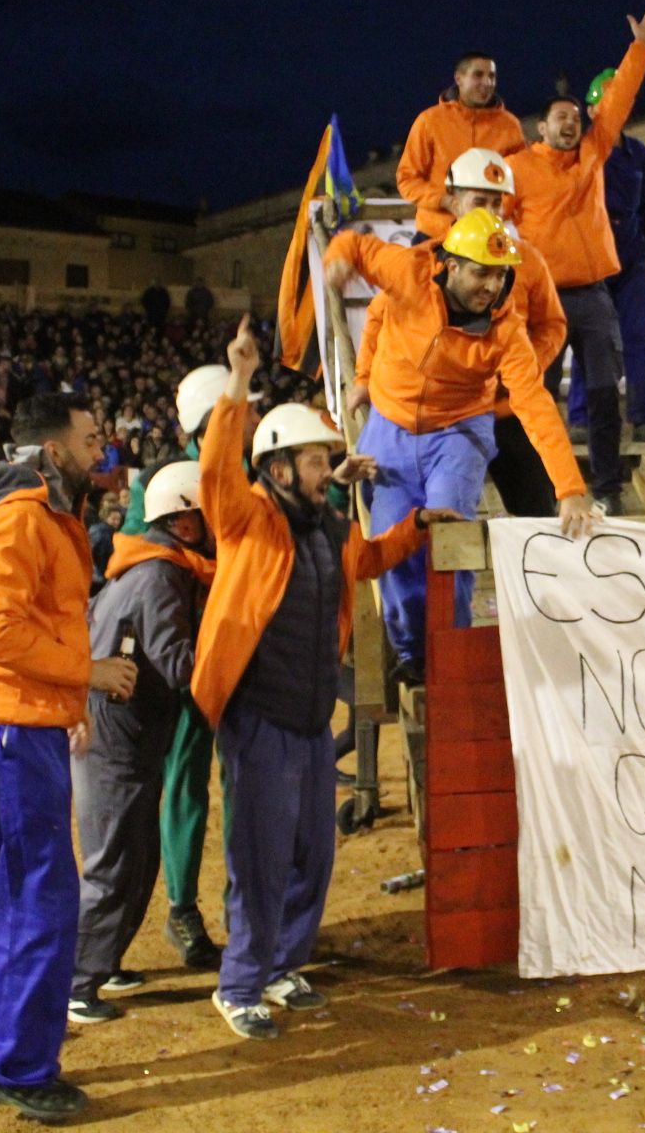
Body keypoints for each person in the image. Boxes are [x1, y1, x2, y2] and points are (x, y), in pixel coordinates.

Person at [189, 319, 449, 1041]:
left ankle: (281, 964)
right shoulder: (248, 520)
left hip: (307, 721)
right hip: (259, 718)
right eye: (314, 460)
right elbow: (215, 474)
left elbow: (366, 560)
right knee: (260, 855)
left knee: (312, 851)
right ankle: (240, 983)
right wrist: (239, 382)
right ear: (277, 468)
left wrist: (420, 523)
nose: (327, 469)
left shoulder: (325, 527)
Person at [0, 392, 137, 1122]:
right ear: (54, 451)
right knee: (44, 899)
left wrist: (67, 699)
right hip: (7, 726)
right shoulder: (26, 514)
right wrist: (85, 673)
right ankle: (17, 1068)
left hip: (14, 720)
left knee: (25, 891)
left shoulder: (35, 508)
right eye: (91, 440)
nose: (102, 452)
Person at [323, 208, 594, 682]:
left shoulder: (507, 329)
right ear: (450, 265)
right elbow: (353, 245)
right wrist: (337, 260)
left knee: (451, 537)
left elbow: (534, 402)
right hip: (389, 428)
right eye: (481, 273)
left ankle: (454, 649)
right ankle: (412, 656)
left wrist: (569, 487)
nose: (491, 286)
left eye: (500, 275)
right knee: (393, 541)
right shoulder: (407, 270)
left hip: (460, 430)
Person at [68, 459, 217, 1023]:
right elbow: (178, 665)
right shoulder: (159, 577)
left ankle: (102, 963)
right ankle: (78, 983)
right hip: (116, 742)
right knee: (113, 865)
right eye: (205, 516)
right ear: (182, 522)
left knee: (139, 857)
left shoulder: (153, 567)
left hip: (125, 735)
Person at [507, 4, 645, 512]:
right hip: (544, 299)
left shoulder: (595, 153)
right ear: (541, 128)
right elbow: (488, 218)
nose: (571, 125)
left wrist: (640, 48)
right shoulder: (518, 169)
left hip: (595, 297)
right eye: (561, 119)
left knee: (602, 395)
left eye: (576, 119)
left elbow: (618, 98)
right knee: (541, 399)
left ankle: (608, 488)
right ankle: (547, 489)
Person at [351, 147, 568, 518]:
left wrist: (522, 364)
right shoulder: (425, 262)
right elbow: (379, 319)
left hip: (506, 409)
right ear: (452, 200)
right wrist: (364, 378)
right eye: (479, 200)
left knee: (538, 513)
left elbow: (552, 325)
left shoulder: (527, 258)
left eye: (497, 203)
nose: (490, 211)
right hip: (433, 418)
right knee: (387, 514)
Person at [567, 67, 645, 444]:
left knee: (635, 337)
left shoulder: (637, 153)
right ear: (593, 112)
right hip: (593, 256)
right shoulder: (582, 150)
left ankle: (643, 418)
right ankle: (581, 418)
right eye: (607, 104)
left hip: (629, 253)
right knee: (590, 337)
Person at [397, 51, 527, 242]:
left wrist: (494, 210)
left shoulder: (510, 125)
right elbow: (407, 179)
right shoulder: (430, 121)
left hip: (488, 236)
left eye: (491, 76)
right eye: (478, 75)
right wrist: (445, 201)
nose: (487, 82)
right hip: (435, 236)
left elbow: (521, 181)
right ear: (459, 78)